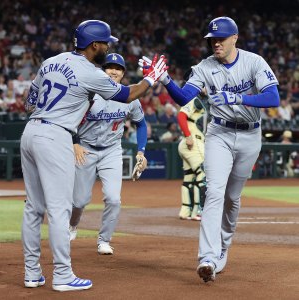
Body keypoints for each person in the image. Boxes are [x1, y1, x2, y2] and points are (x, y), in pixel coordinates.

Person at [20, 20, 167, 292]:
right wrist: (152, 78)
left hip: (31, 132)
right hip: (56, 135)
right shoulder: (90, 71)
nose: (107, 47)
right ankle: (62, 275)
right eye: (105, 43)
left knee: (33, 207)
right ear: (94, 45)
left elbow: (29, 102)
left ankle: (32, 273)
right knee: (60, 209)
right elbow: (128, 94)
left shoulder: (51, 61)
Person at [140, 16, 279, 282]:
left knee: (232, 197)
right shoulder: (205, 66)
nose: (216, 43)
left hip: (250, 136)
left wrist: (239, 97)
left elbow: (272, 96)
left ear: (235, 38)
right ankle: (207, 257)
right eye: (212, 39)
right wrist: (165, 79)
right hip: (220, 133)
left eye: (221, 39)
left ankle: (223, 246)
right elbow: (184, 97)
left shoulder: (254, 62)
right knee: (214, 191)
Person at [69, 53, 148, 256]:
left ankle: (104, 240)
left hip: (112, 150)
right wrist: (75, 143)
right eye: (109, 67)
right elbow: (69, 120)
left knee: (113, 199)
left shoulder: (130, 96)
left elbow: (141, 124)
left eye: (118, 68)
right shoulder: (90, 93)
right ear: (102, 71)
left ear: (123, 73)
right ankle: (72, 225)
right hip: (85, 148)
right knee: (79, 201)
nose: (113, 71)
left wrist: (141, 151)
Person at [177, 97, 207, 221]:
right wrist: (188, 136)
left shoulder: (202, 101)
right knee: (203, 173)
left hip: (189, 143)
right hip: (193, 141)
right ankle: (199, 211)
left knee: (189, 177)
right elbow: (181, 116)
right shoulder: (194, 99)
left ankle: (186, 211)